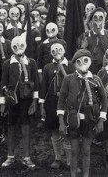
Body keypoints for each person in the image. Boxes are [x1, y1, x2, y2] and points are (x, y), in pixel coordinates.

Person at [57, 49, 108, 177]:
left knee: (86, 150)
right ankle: (73, 174)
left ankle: (86, 175)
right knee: (74, 150)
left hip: (90, 120)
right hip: (73, 120)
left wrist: (101, 120)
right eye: (78, 61)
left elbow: (104, 99)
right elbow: (61, 100)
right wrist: (61, 122)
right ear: (75, 64)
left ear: (90, 62)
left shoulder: (95, 79)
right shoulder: (69, 79)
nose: (82, 64)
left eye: (85, 60)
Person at [0, 35, 39, 169]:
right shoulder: (7, 63)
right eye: (15, 46)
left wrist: (35, 100)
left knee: (26, 126)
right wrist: (3, 103)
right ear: (12, 48)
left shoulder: (31, 62)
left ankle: (26, 157)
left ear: (25, 46)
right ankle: (10, 156)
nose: (18, 49)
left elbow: (36, 83)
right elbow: (3, 83)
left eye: (21, 46)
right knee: (11, 126)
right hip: (12, 100)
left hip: (26, 100)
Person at [39, 38, 75, 169]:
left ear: (64, 50)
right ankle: (58, 158)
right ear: (50, 52)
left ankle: (71, 161)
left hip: (66, 102)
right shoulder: (47, 67)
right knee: (54, 130)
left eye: (59, 49)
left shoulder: (71, 65)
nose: (56, 51)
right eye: (53, 50)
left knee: (67, 131)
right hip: (52, 102)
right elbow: (43, 87)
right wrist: (42, 105)